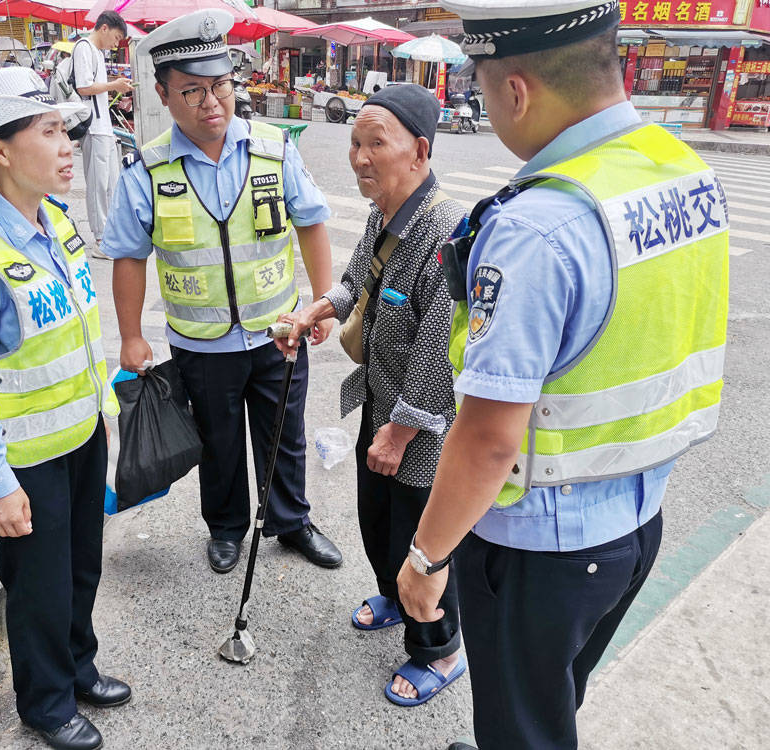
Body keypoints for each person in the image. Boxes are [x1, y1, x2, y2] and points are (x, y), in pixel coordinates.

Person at [395, 1, 730, 748]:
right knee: (550, 697)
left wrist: (425, 559)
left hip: (540, 547)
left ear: (516, 90)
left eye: (480, 88)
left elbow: (487, 440)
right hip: (636, 518)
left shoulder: (536, 226)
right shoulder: (683, 171)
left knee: (523, 725)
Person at [0, 68, 129, 750]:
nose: (67, 144)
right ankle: (45, 703)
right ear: (0, 149)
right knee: (37, 586)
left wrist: (99, 417)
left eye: (65, 130)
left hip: (79, 438)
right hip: (22, 458)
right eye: (50, 131)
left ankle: (77, 668)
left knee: (80, 569)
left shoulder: (56, 221)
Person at [104, 9, 343, 575]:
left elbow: (310, 222)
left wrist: (321, 300)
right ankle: (227, 528)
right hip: (200, 341)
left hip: (279, 332)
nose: (211, 102)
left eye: (220, 86)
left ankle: (292, 521)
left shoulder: (273, 149)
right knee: (219, 442)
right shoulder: (147, 169)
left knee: (285, 435)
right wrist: (132, 336)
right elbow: (129, 257)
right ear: (164, 95)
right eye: (193, 91)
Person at [275, 85, 466, 706]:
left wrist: (401, 430)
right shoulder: (386, 211)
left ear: (419, 150)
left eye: (374, 143)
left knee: (422, 535)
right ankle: (392, 592)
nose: (359, 157)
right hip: (379, 402)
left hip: (421, 424)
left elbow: (439, 347)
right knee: (377, 515)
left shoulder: (445, 231)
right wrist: (316, 310)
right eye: (356, 143)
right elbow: (357, 278)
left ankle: (437, 646)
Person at [72, 10, 134, 259]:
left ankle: (109, 234)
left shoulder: (96, 52)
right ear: (105, 28)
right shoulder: (84, 47)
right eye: (117, 38)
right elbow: (83, 86)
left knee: (110, 183)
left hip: (105, 128)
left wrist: (114, 86)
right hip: (94, 128)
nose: (116, 44)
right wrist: (113, 85)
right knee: (98, 185)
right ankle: (99, 239)